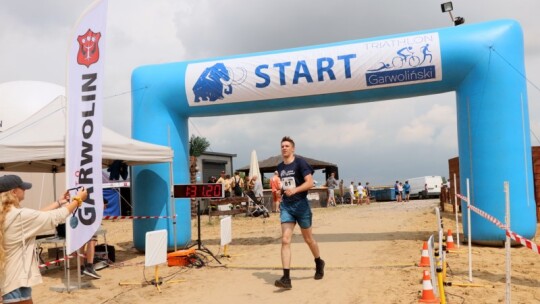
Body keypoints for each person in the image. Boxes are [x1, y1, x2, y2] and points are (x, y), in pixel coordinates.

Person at [0, 175, 88, 303]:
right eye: (22, 188)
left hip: (10, 279)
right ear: (14, 192)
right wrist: (78, 200)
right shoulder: (19, 216)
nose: (25, 190)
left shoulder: (10, 214)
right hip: (15, 282)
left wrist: (58, 203)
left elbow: (37, 216)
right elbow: (55, 217)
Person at [275, 136, 324, 290]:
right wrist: (278, 192)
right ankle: (286, 278)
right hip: (287, 207)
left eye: (287, 146)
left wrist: (294, 190)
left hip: (301, 205)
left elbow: (309, 182)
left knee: (308, 239)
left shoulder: (300, 162)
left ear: (293, 148)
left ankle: (318, 262)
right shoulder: (280, 167)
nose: (284, 148)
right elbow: (282, 186)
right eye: (282, 146)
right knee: (285, 240)